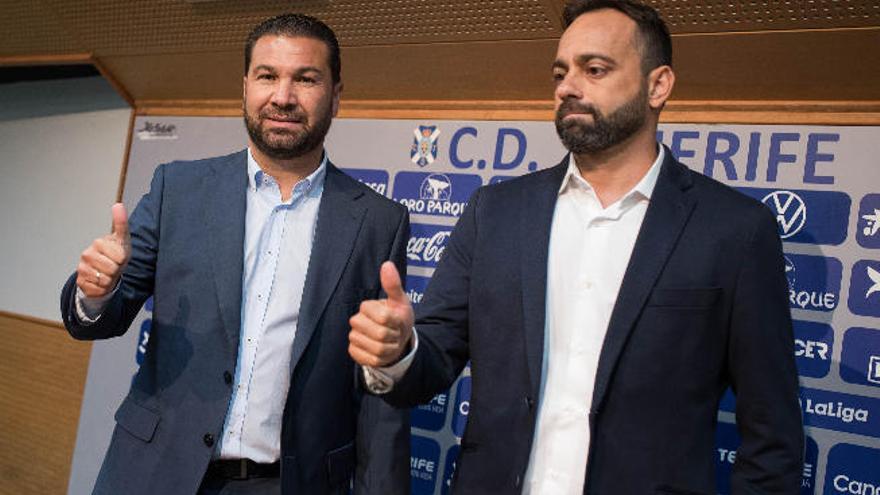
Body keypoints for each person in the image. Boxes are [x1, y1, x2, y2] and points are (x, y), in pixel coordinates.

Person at [348, 1, 804, 493]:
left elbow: (772, 439)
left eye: (595, 69)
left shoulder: (734, 231)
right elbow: (434, 357)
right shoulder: (496, 212)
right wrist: (398, 351)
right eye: (560, 72)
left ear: (658, 85)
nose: (567, 87)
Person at [60, 13, 410, 495]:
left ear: (335, 94)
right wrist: (94, 293)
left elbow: (378, 384)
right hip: (152, 471)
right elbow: (100, 318)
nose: (283, 97)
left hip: (286, 483)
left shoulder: (378, 222)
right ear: (245, 86)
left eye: (306, 79)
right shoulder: (176, 189)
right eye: (267, 76)